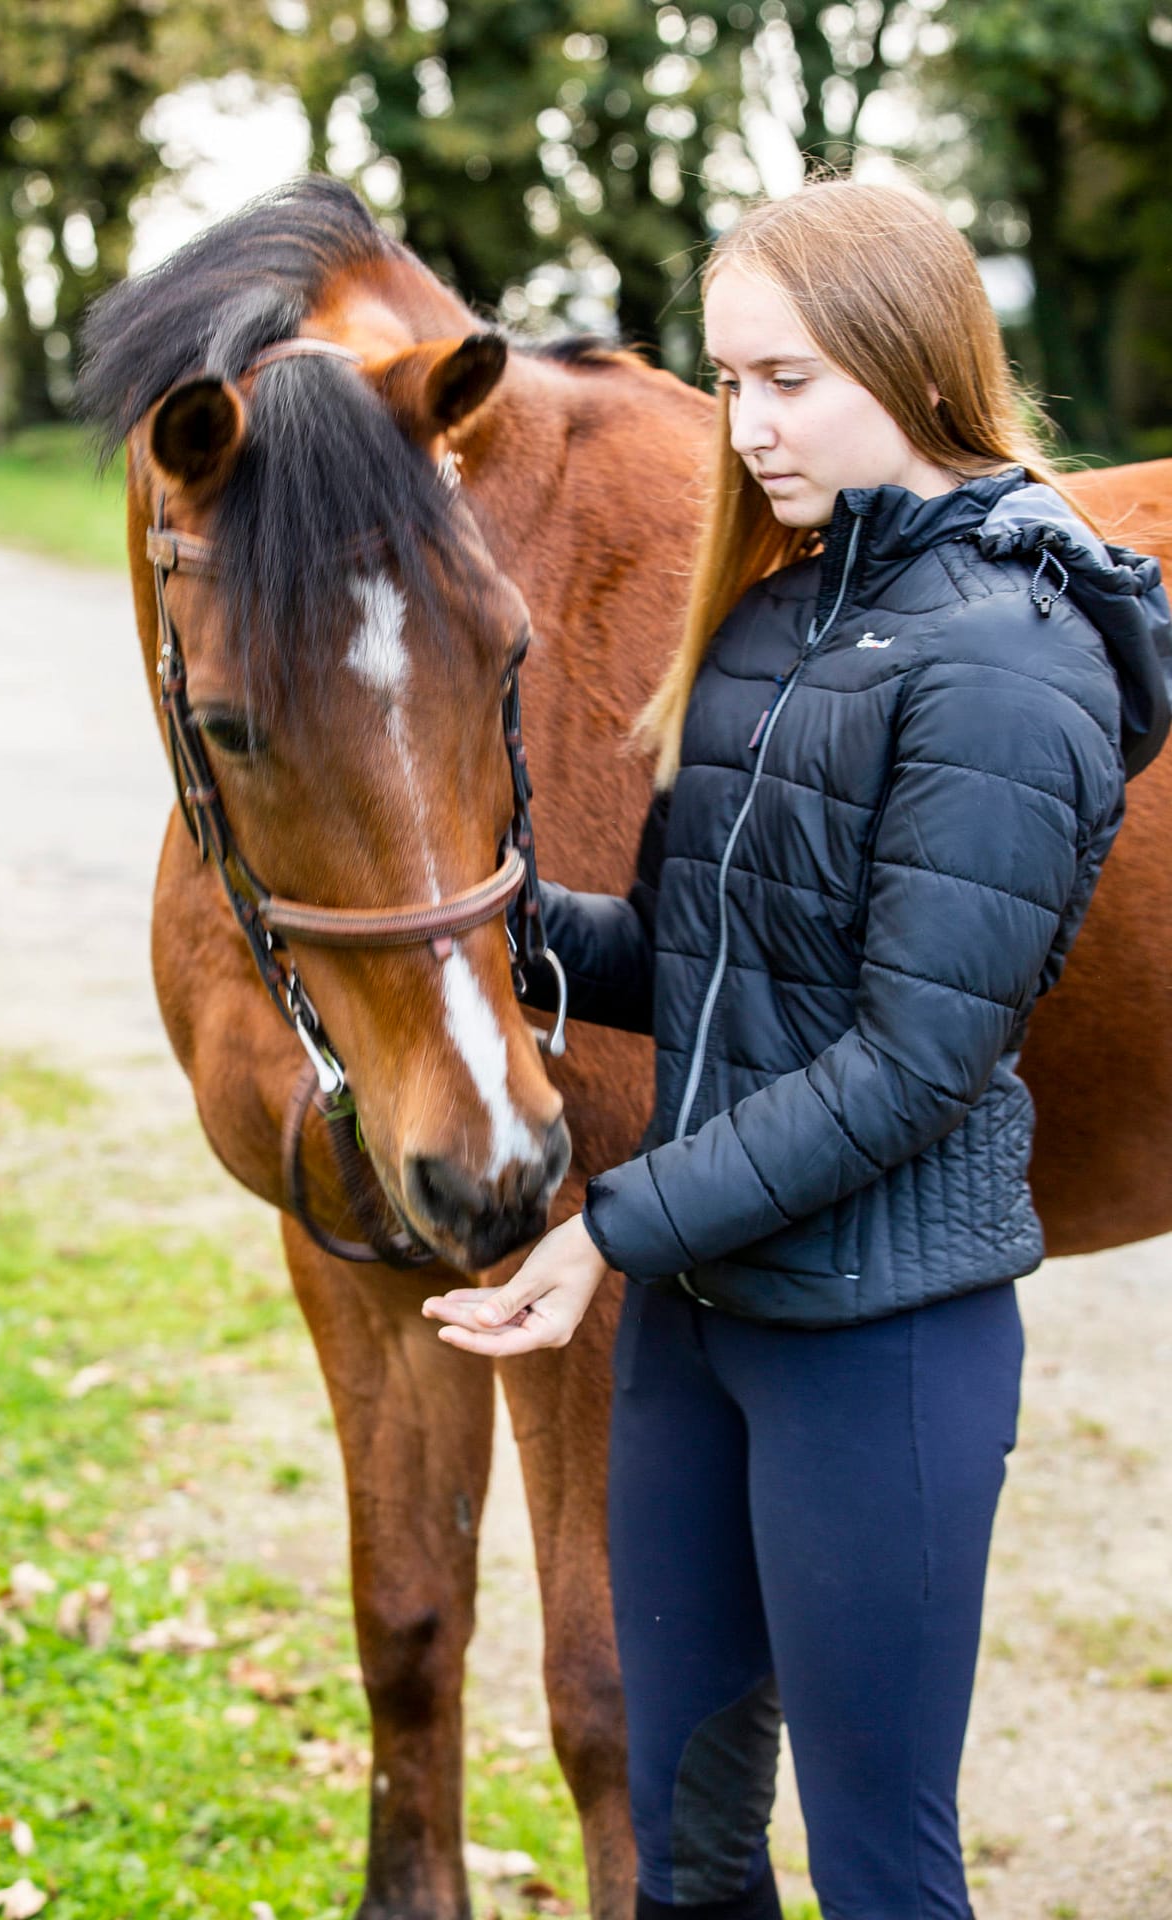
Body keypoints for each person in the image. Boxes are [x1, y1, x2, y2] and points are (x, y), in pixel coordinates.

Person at [423, 178, 1171, 1920]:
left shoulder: (1014, 660)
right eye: (727, 381)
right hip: (700, 1337)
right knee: (686, 1852)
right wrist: (495, 923)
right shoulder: (775, 614)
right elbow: (705, 967)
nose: (740, 428)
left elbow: (913, 1061)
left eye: (785, 381)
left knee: (879, 1866)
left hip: (879, 1352)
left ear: (913, 373)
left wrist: (606, 1229)